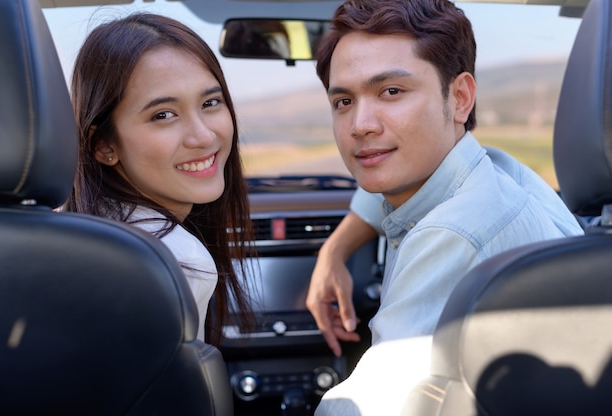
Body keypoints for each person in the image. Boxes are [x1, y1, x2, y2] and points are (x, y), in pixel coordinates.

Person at [307, 0, 584, 414]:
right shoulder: (496, 171)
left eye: (391, 91)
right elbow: (387, 176)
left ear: (459, 98)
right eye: (343, 101)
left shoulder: (454, 234)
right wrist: (335, 249)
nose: (360, 125)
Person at [62, 13, 255, 346]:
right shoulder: (176, 261)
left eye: (210, 102)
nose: (204, 135)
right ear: (103, 145)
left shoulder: (76, 234)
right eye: (163, 115)